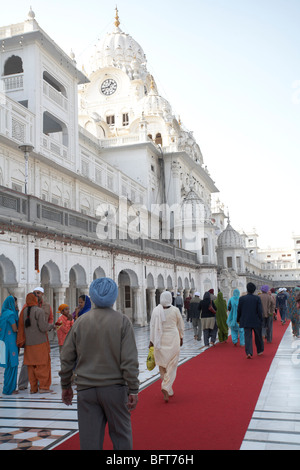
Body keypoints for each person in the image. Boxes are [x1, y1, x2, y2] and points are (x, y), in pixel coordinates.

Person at [59, 278, 139, 451]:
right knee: (121, 438)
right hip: (115, 389)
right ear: (114, 296)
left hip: (86, 390)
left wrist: (66, 385)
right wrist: (133, 388)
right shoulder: (122, 321)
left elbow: (66, 357)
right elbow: (129, 360)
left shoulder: (80, 322)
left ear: (92, 297)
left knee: (90, 442)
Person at [149, 290, 184, 403]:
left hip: (159, 340)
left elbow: (152, 326)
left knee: (162, 365)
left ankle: (168, 389)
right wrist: (182, 337)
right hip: (173, 339)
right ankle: (166, 386)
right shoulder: (175, 310)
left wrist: (151, 340)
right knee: (172, 365)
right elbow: (181, 325)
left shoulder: (156, 310)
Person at [17, 293, 54, 393]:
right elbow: (43, 327)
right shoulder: (39, 311)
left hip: (29, 345)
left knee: (31, 367)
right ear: (35, 300)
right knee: (42, 365)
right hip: (40, 343)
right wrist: (51, 326)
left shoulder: (23, 312)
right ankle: (43, 387)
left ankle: (33, 388)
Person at [237, 282, 264, 359]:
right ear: (254, 290)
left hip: (246, 320)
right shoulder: (257, 298)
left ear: (247, 289)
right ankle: (259, 350)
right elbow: (259, 310)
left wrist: (238, 319)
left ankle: (249, 352)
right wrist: (261, 319)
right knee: (258, 336)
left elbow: (239, 310)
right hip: (256, 320)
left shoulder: (242, 299)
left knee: (248, 337)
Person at [0, 296, 19, 395]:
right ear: (12, 303)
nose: (16, 305)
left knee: (8, 366)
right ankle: (10, 389)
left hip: (4, 342)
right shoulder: (11, 315)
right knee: (13, 364)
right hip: (11, 342)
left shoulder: (3, 314)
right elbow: (15, 329)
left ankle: (7, 388)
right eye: (15, 303)